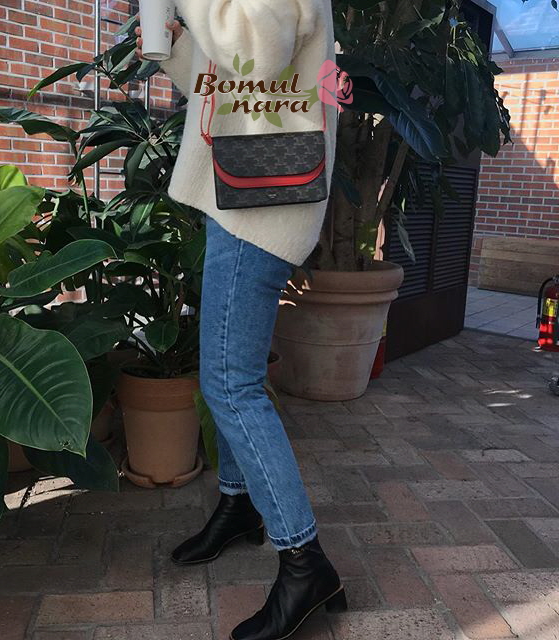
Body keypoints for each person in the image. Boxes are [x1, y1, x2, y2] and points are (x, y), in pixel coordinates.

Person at [134, 2, 345, 639]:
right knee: (230, 373)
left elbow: (258, 48)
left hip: (261, 203)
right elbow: (238, 77)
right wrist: (175, 47)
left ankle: (305, 561)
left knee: (230, 384)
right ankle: (238, 504)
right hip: (243, 188)